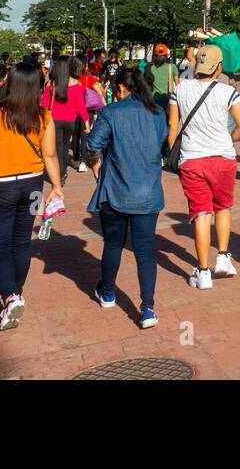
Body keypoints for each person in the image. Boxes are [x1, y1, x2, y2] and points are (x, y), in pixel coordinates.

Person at [0, 61, 63, 331]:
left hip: (0, 188)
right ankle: (16, 292)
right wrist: (56, 185)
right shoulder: (44, 117)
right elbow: (50, 155)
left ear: (9, 84)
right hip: (33, 185)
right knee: (21, 243)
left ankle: (10, 295)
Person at [85, 67, 168, 329]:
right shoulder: (157, 113)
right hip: (148, 191)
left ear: (120, 88)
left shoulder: (111, 113)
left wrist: (97, 163)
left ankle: (108, 293)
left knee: (113, 244)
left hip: (116, 190)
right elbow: (162, 142)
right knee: (145, 251)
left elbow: (92, 145)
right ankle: (147, 308)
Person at [167, 44, 240, 290]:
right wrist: (229, 139)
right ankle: (223, 257)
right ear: (218, 66)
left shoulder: (180, 89)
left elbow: (173, 125)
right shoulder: (228, 92)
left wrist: (175, 152)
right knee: (223, 207)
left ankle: (203, 272)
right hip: (223, 158)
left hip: (192, 159)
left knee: (201, 214)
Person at [42, 54, 91, 181]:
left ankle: (59, 173)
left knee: (57, 147)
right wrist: (86, 121)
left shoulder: (50, 84)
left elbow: (44, 105)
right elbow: (80, 105)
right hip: (70, 121)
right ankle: (62, 173)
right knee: (64, 146)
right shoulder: (75, 83)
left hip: (54, 121)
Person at [145, 44, 178, 113]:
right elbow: (178, 84)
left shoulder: (150, 67)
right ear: (166, 55)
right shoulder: (172, 66)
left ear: (155, 55)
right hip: (168, 99)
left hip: (154, 99)